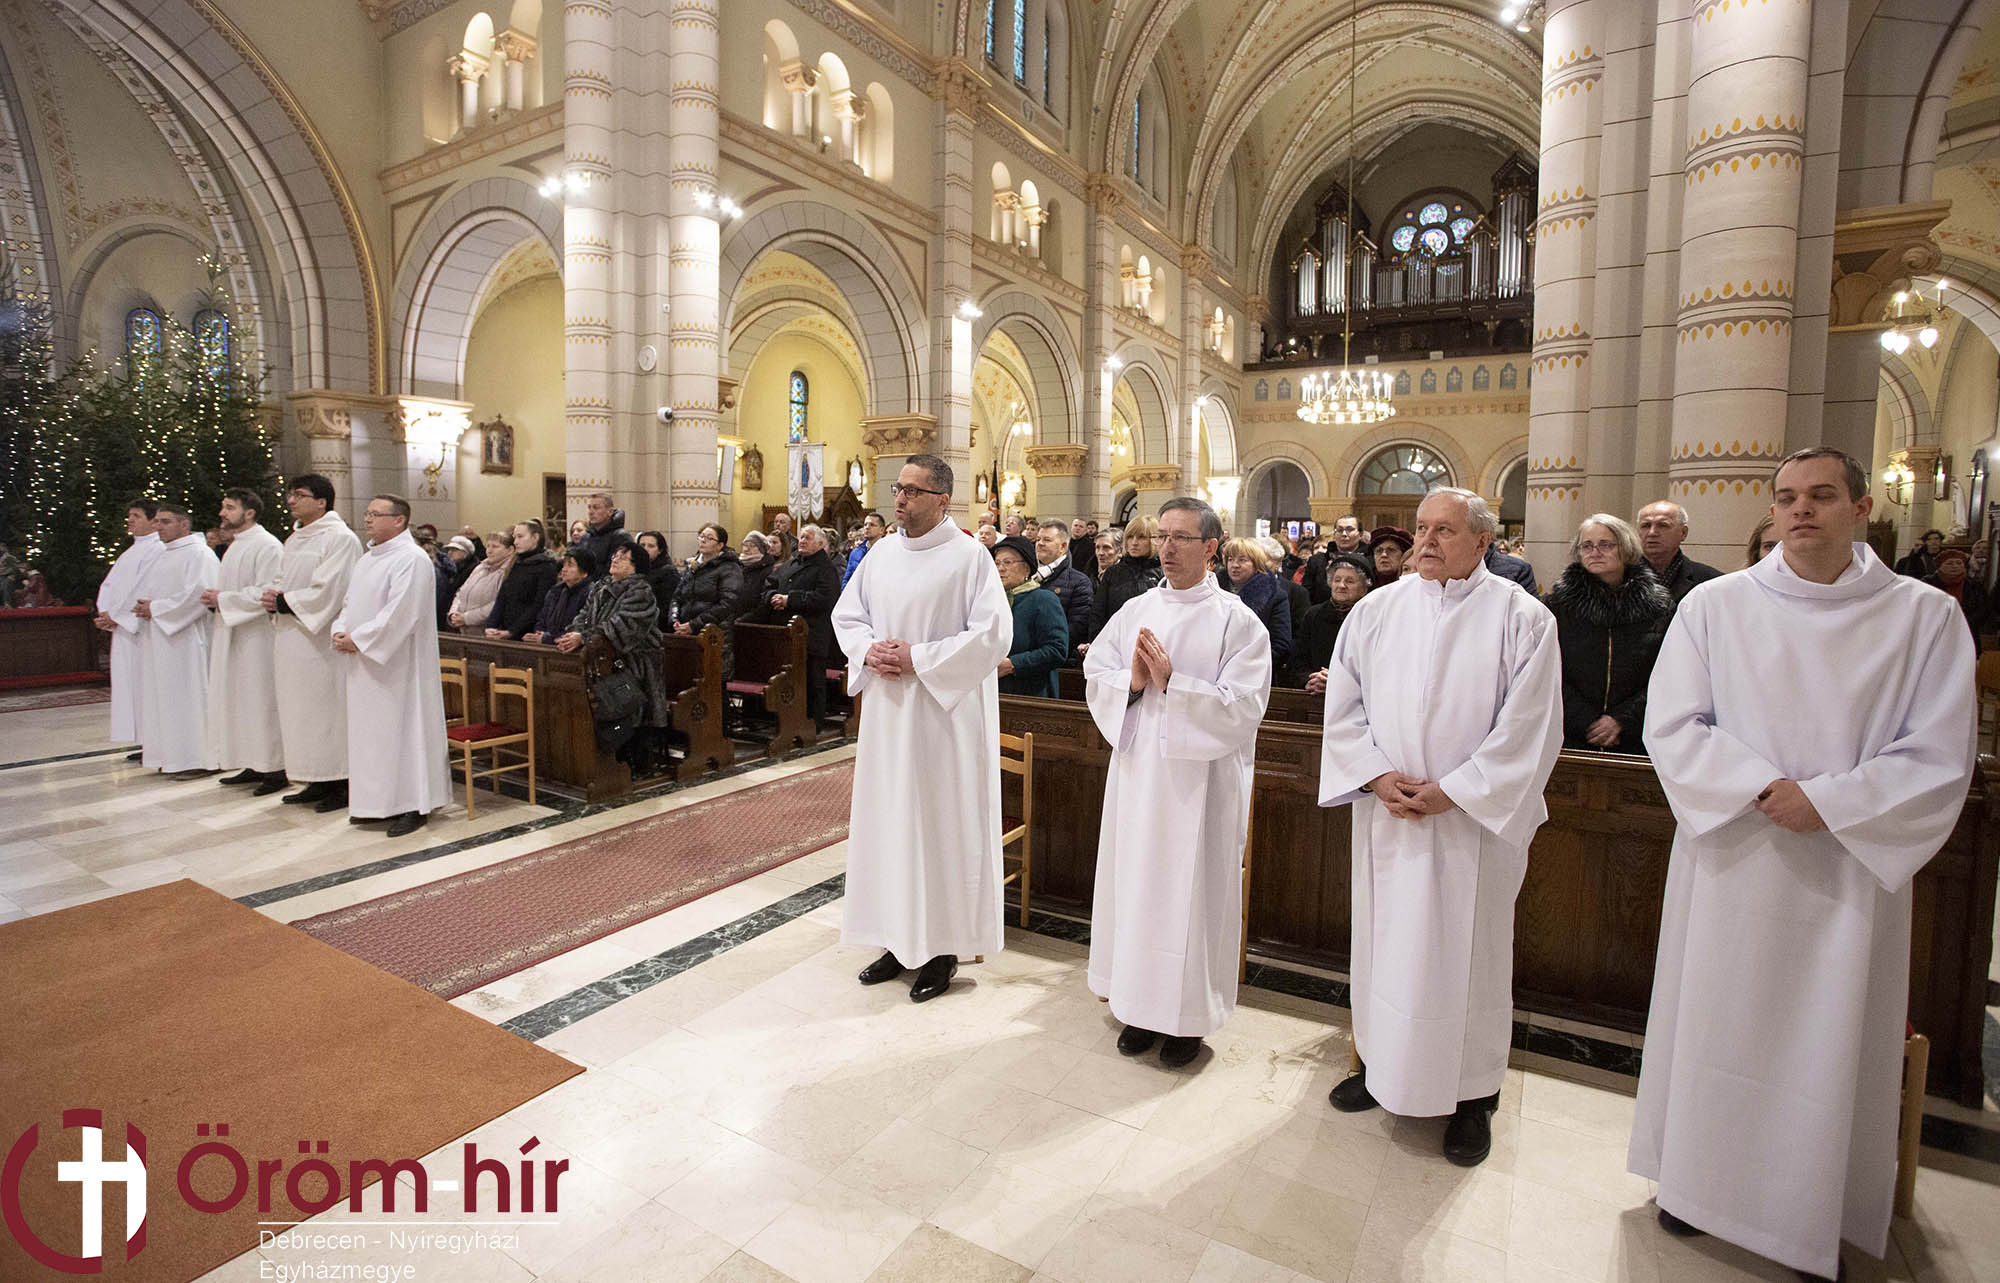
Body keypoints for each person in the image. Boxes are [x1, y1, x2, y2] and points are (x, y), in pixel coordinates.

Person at [1630, 447, 1977, 1283]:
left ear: (1862, 508)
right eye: (1786, 497)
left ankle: (1807, 1216)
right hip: (1735, 854)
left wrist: (1829, 802)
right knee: (1713, 1021)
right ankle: (1697, 1185)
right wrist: (1761, 788)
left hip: (1845, 868)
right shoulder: (1716, 606)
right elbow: (1672, 723)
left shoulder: (1924, 617)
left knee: (1826, 1039)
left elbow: (1938, 754)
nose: (1801, 510)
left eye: (1822, 495)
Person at [1318, 487, 1562, 1167]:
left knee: (1469, 958)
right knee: (1386, 944)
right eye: (1421, 529)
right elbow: (1345, 707)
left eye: (1444, 531)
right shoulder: (1375, 611)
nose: (1426, 541)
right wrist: (1374, 774)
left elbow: (1531, 727)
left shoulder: (1522, 618)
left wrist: (1454, 792)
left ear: (1483, 541)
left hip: (1470, 829)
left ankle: (1472, 1095)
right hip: (1391, 819)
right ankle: (1379, 1066)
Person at [1082, 497, 1271, 1067]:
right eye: (1162, 536)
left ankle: (1188, 1020)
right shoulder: (1134, 610)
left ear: (1211, 547)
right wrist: (1133, 683)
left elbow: (1245, 707)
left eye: (1181, 538)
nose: (1166, 547)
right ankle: (1138, 1008)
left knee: (1193, 898)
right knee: (1136, 888)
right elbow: (1097, 673)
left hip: (1201, 789)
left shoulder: (1238, 622)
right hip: (1139, 779)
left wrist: (1174, 683)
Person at [832, 453, 1012, 1002]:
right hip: (889, 715)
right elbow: (847, 616)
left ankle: (941, 950)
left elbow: (992, 635)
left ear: (942, 500)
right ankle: (895, 939)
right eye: (898, 489)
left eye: (912, 491)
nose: (900, 499)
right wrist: (869, 651)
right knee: (891, 823)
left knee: (940, 829)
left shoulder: (970, 558)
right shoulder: (881, 554)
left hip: (944, 721)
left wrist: (920, 658)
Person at [331, 495, 450, 838]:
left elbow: (402, 613)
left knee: (405, 732)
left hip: (400, 666)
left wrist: (359, 639)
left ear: (399, 520)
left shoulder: (412, 559)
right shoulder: (367, 559)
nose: (367, 519)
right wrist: (340, 630)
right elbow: (349, 603)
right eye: (367, 513)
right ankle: (377, 804)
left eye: (376, 514)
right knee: (372, 737)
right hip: (365, 664)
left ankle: (414, 804)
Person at [262, 476, 362, 812]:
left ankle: (341, 782)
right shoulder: (294, 538)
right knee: (300, 713)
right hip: (290, 639)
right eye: (290, 494)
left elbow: (332, 589)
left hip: (320, 641)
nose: (291, 500)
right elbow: (281, 580)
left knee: (326, 713)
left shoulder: (340, 538)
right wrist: (273, 596)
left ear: (322, 501)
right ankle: (314, 778)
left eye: (300, 495)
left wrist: (284, 601)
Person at [1546, 514, 1673, 754]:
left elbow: (1668, 672)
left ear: (1626, 548)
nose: (1595, 552)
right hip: (1571, 734)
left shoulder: (1658, 607)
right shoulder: (1557, 605)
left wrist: (1622, 719)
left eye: (1606, 545)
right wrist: (1586, 721)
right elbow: (1546, 670)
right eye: (1587, 546)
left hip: (1635, 736)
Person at [557, 543, 670, 775]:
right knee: (611, 712)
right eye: (615, 555)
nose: (615, 560)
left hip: (636, 663)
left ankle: (639, 766)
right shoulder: (602, 587)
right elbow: (584, 616)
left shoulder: (641, 591)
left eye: (623, 558)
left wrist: (584, 637)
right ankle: (612, 764)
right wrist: (576, 633)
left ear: (636, 566)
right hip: (603, 660)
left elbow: (623, 625)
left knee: (634, 713)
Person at [204, 488, 287, 793]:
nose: (222, 513)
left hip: (258, 637)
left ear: (249, 513)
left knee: (261, 700)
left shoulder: (268, 546)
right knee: (241, 700)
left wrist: (223, 599)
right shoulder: (236, 546)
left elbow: (268, 591)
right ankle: (253, 761)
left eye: (229, 507)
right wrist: (217, 600)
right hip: (234, 633)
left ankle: (275, 768)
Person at [132, 503, 219, 775]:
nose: (158, 526)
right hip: (160, 638)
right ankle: (171, 757)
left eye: (165, 521)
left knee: (190, 698)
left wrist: (156, 608)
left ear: (184, 525)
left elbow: (199, 595)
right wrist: (144, 606)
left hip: (188, 639)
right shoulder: (163, 554)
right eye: (157, 521)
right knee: (165, 700)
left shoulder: (199, 553)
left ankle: (199, 759)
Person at [95, 499, 165, 756]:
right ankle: (145, 741)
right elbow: (109, 585)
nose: (130, 519)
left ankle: (155, 742)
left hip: (139, 628)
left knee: (145, 686)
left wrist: (117, 616)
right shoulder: (130, 551)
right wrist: (105, 611)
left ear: (153, 521)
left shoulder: (157, 549)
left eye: (136, 515)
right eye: (129, 515)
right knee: (130, 686)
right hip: (123, 629)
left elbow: (144, 588)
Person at [760, 523, 843, 721]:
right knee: (789, 678)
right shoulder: (791, 564)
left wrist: (790, 600)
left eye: (808, 538)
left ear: (820, 544)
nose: (802, 541)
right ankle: (790, 720)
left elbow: (825, 598)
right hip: (786, 632)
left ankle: (814, 722)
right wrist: (772, 597)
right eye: (801, 537)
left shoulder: (826, 569)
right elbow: (770, 584)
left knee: (812, 680)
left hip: (812, 633)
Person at [992, 535, 1069, 697]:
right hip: (996, 691)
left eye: (1008, 562)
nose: (1000, 568)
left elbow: (1057, 650)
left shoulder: (1043, 599)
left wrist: (1013, 664)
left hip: (1031, 693)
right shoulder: (992, 600)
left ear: (1026, 569)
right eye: (997, 563)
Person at [1290, 553, 1372, 690]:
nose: (1341, 585)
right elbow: (1298, 659)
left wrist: (1336, 681)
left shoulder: (1371, 617)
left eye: (1350, 581)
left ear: (1364, 588)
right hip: (1314, 691)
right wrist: (1309, 680)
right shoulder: (1314, 614)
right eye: (1337, 580)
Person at [1083, 516, 1163, 650]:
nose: (1134, 542)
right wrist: (1099, 647)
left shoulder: (1163, 573)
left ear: (1154, 540)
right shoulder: (1113, 573)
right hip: (1116, 646)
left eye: (1141, 537)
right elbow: (1098, 615)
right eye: (1130, 537)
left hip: (1153, 645)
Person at [673, 523, 744, 674]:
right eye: (701, 536)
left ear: (720, 545)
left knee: (712, 680)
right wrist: (675, 620)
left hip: (714, 633)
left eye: (709, 538)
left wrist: (693, 624)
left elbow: (727, 603)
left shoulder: (730, 568)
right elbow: (677, 596)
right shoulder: (692, 566)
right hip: (686, 632)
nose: (703, 540)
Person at [1219, 537, 1292, 672]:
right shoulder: (1214, 591)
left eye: (1242, 560)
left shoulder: (1275, 596)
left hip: (1253, 671)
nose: (1235, 565)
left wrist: (1246, 666)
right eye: (1230, 559)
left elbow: (1280, 645)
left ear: (1256, 564)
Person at [485, 520, 559, 640]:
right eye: (514, 537)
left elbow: (539, 604)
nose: (515, 542)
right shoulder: (517, 562)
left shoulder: (546, 566)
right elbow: (502, 596)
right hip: (504, 629)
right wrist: (491, 625)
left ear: (535, 537)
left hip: (526, 633)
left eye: (520, 537)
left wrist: (512, 631)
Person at [1636, 500, 1723, 602]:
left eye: (1663, 525)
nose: (1652, 533)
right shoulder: (1621, 576)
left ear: (1683, 533)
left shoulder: (1712, 581)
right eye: (1646, 526)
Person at [1032, 519, 1095, 655]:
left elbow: (1077, 627)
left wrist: (1040, 647)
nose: (1040, 543)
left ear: (1063, 546)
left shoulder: (1079, 582)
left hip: (1056, 655)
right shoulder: (1027, 575)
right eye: (1038, 539)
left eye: (1047, 540)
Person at [447, 530, 514, 633]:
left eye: (495, 547)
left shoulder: (508, 572)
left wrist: (466, 618)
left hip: (487, 633)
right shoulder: (480, 567)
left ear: (510, 550)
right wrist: (454, 613)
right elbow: (461, 593)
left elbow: (497, 603)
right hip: (465, 630)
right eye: (488, 546)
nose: (489, 551)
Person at [524, 550, 595, 643]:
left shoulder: (590, 594)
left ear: (584, 572)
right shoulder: (555, 591)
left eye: (570, 565)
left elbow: (578, 628)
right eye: (564, 565)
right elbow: (541, 618)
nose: (564, 569)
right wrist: (539, 633)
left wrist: (547, 638)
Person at [1925, 547, 1991, 641]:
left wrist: (1963, 623)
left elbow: (1984, 609)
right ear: (1939, 566)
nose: (1955, 566)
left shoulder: (1974, 585)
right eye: (1949, 563)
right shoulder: (1928, 583)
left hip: (1967, 633)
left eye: (1959, 563)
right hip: (1934, 633)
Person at [570, 492, 636, 579]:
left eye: (596, 508)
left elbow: (616, 570)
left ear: (610, 512)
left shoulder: (621, 537)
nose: (591, 512)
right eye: (589, 507)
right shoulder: (586, 537)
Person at [736, 531, 776, 617]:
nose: (746, 549)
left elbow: (764, 603)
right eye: (745, 545)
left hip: (749, 620)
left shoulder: (769, 571)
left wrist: (742, 619)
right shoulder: (737, 566)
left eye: (752, 546)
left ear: (762, 549)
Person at [843, 512, 887, 587]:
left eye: (872, 525)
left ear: (882, 530)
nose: (867, 527)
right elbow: (847, 578)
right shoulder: (855, 552)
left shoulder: (887, 550)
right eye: (865, 524)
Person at [637, 530, 679, 606]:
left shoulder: (668, 572)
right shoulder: (635, 568)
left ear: (660, 550)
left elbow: (668, 603)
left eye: (651, 546)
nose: (645, 549)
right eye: (642, 545)